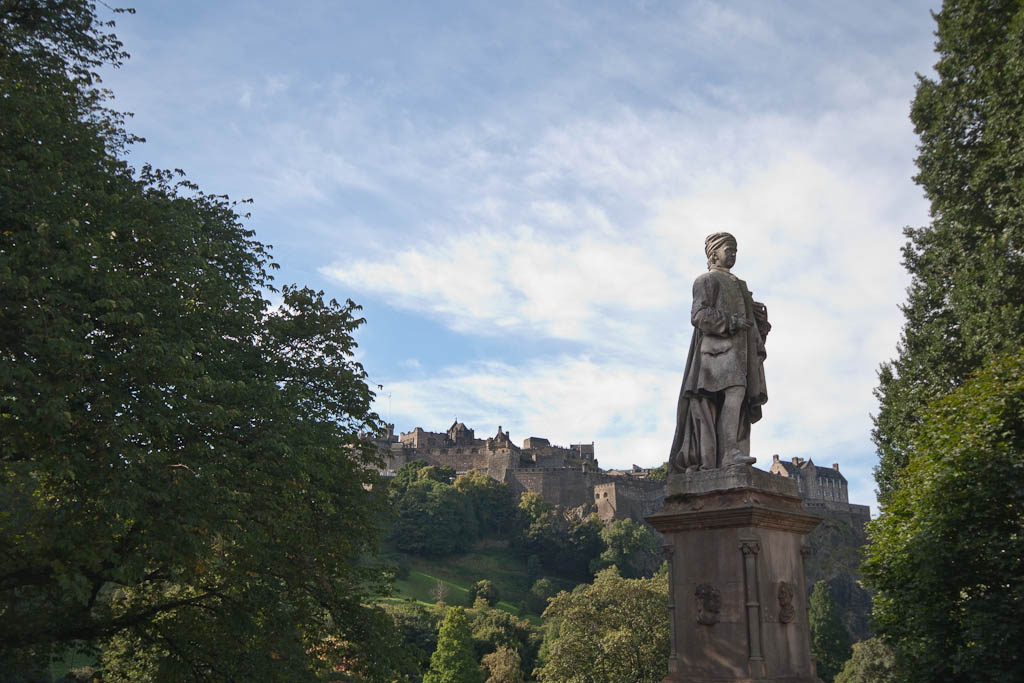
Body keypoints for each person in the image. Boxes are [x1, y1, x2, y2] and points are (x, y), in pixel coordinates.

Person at [669, 232, 770, 471]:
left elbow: (750, 322)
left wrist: (758, 320)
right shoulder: (706, 280)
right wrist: (732, 322)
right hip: (714, 355)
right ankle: (727, 454)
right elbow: (699, 315)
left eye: (736, 251)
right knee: (726, 397)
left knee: (738, 397)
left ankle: (730, 453)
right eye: (729, 250)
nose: (733, 255)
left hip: (737, 355)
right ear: (714, 254)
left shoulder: (740, 285)